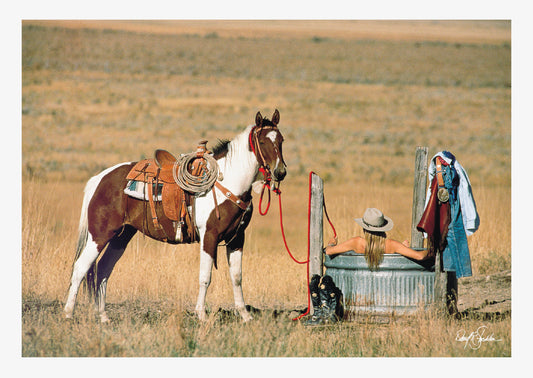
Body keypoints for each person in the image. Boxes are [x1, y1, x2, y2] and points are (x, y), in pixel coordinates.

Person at [324, 207, 429, 270]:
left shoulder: (356, 243)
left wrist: (331, 243)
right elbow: (419, 256)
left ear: (364, 228)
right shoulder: (391, 244)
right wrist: (434, 249)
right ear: (383, 228)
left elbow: (328, 251)